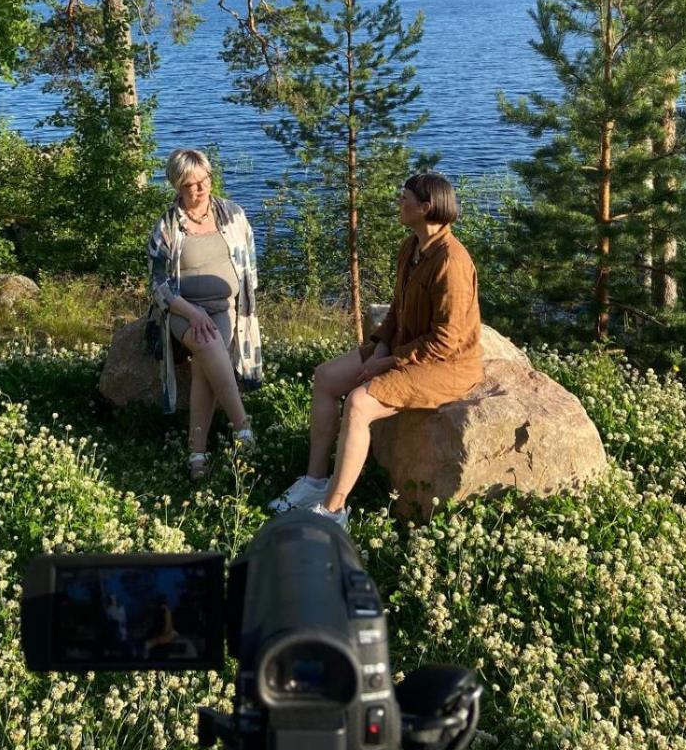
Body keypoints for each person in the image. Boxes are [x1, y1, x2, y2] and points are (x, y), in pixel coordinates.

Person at [268, 171, 484, 528]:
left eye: (404, 198)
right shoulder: (411, 247)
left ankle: (333, 511)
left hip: (447, 366)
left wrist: (388, 363)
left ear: (425, 207)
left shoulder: (452, 262)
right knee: (325, 377)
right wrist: (381, 345)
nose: (398, 202)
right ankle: (315, 482)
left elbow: (446, 341)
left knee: (358, 403)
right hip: (403, 349)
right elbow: (398, 308)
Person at [147, 148, 262, 481]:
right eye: (189, 185)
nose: (198, 189)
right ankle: (243, 427)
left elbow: (249, 266)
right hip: (181, 309)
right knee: (209, 343)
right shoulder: (167, 226)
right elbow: (158, 285)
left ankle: (196, 455)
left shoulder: (233, 215)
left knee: (203, 367)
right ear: (176, 186)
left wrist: (240, 308)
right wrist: (192, 313)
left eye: (203, 181)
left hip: (224, 307)